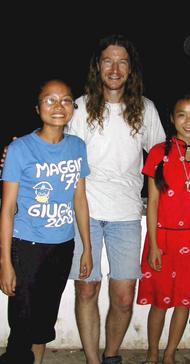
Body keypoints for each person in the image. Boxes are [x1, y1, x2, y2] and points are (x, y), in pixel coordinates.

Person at [66, 34, 165, 364]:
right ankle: (93, 359)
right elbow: (59, 154)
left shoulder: (145, 109)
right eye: (108, 60)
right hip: (85, 210)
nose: (115, 68)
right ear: (97, 65)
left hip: (126, 213)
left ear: (131, 69)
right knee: (87, 289)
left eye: (122, 61)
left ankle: (111, 355)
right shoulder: (79, 108)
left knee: (123, 297)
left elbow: (162, 159)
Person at [0, 80, 93, 364]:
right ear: (37, 107)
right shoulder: (20, 149)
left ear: (72, 109)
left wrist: (86, 248)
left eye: (66, 100)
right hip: (26, 246)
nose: (58, 106)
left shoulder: (77, 147)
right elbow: (7, 208)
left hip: (62, 246)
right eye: (50, 100)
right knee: (22, 320)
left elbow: (80, 199)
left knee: (44, 318)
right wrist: (5, 261)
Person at [136, 95, 190, 364]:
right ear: (172, 119)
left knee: (183, 301)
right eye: (182, 114)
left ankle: (170, 353)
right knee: (159, 302)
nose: (188, 121)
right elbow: (153, 203)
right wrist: (154, 244)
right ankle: (152, 353)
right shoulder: (159, 152)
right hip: (163, 237)